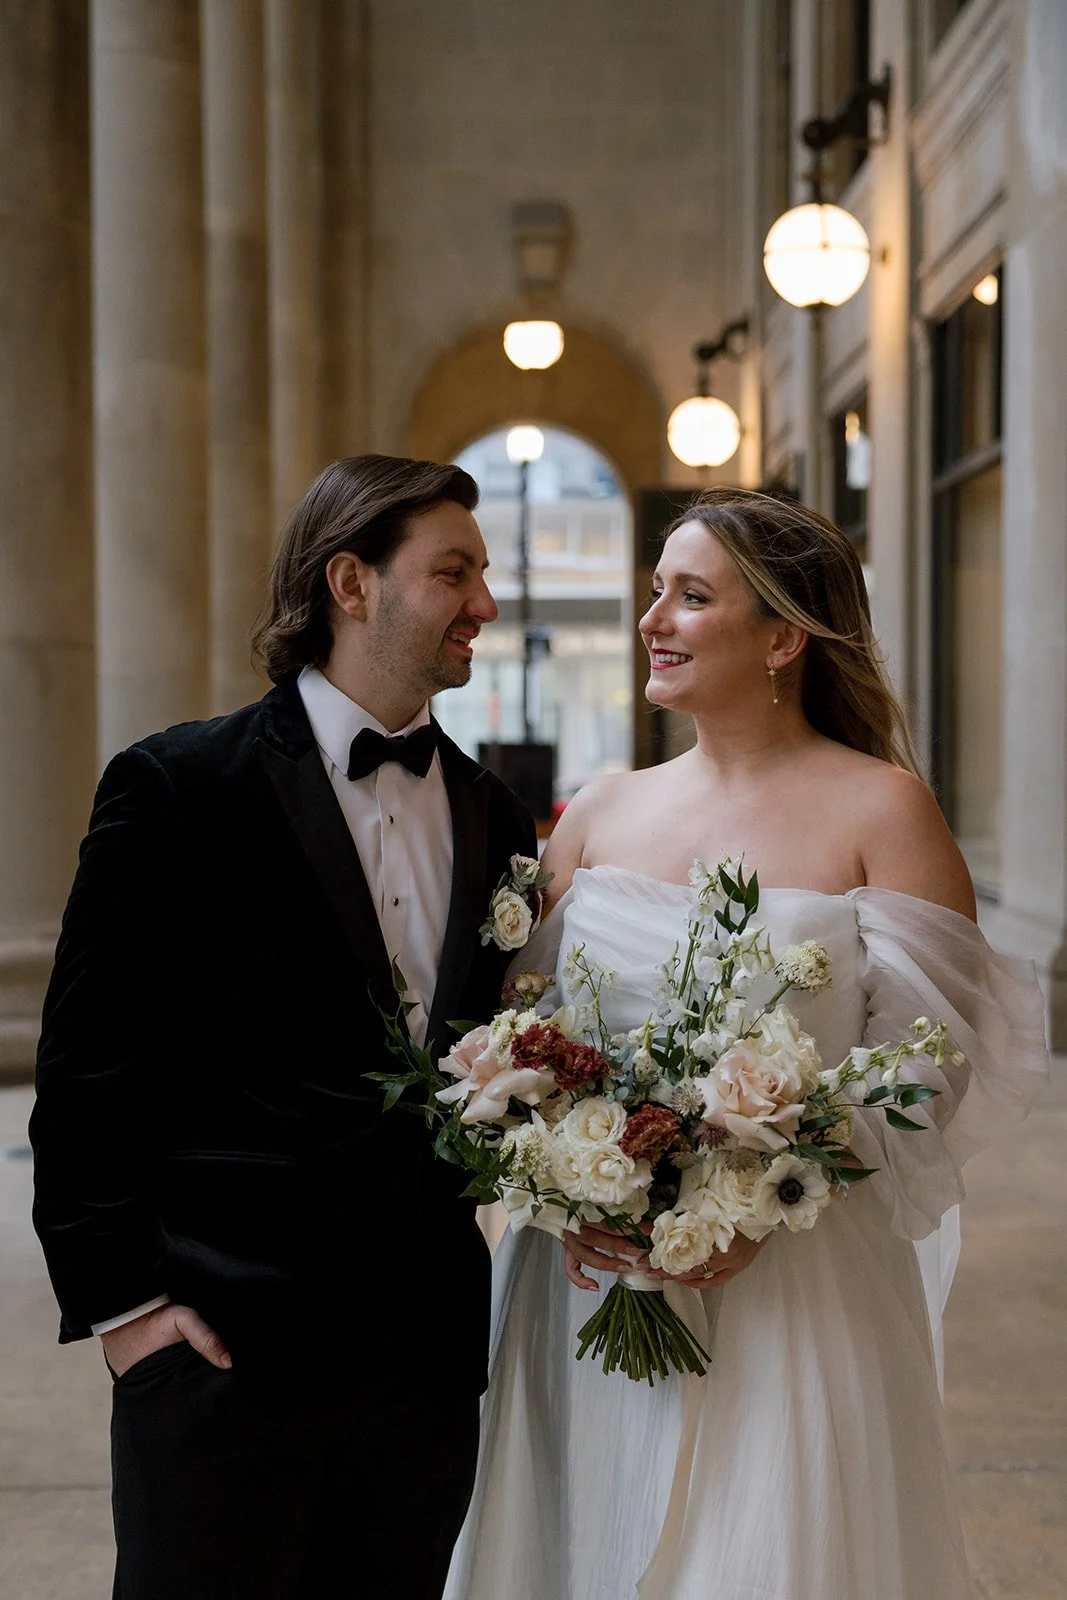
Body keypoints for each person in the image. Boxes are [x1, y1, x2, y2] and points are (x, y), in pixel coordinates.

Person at [445, 488, 1049, 1600]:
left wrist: (754, 1197)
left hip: (794, 1278)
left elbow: (927, 1060)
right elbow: (522, 1038)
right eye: (652, 593)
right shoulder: (596, 811)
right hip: (582, 1281)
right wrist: (568, 1177)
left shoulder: (881, 807)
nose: (651, 619)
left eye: (689, 596)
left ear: (781, 638)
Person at [30, 454, 537, 1600]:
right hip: (220, 1348)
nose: (484, 605)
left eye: (484, 574)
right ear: (349, 582)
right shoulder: (175, 787)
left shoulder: (493, 811)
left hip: (424, 1360)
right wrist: (127, 1312)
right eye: (453, 571)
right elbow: (88, 1067)